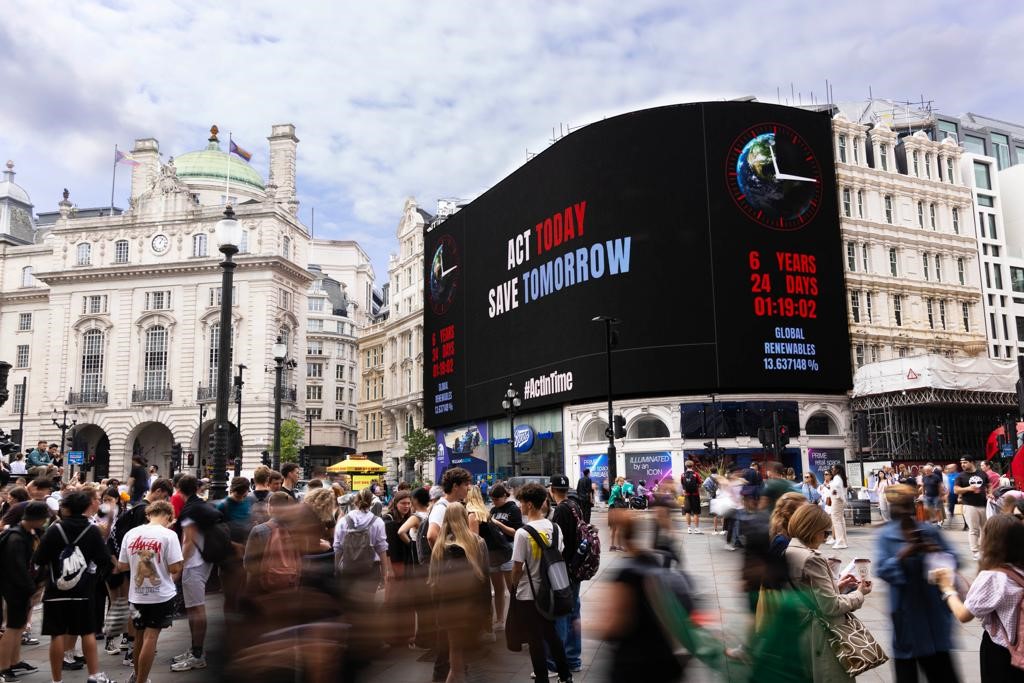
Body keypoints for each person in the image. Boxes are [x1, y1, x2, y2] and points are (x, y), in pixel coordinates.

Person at [874, 485, 960, 682]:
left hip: (933, 614)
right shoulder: (885, 536)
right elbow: (882, 569)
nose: (904, 511)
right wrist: (903, 555)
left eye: (907, 505)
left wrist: (936, 552)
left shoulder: (928, 531)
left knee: (943, 672)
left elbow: (955, 559)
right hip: (906, 614)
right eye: (899, 506)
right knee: (907, 673)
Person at [32, 491, 114, 683]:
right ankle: (94, 675)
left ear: (66, 508)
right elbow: (104, 560)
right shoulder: (92, 530)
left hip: (55, 590)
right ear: (86, 507)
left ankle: (56, 679)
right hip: (83, 590)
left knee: (57, 634)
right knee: (87, 632)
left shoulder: (55, 529)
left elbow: (39, 559)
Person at [785, 503, 873, 681]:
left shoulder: (790, 551)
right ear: (811, 530)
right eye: (825, 533)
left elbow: (809, 594)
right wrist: (859, 593)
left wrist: (837, 587)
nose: (826, 538)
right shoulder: (812, 558)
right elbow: (831, 606)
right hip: (823, 637)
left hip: (803, 631)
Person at [936, 514, 1024, 682]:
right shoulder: (1019, 570)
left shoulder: (993, 577)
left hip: (1001, 653)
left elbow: (964, 615)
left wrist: (947, 588)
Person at [506, 483, 572, 683]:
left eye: (521, 503)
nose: (519, 506)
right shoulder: (555, 528)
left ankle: (542, 678)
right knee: (551, 634)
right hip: (551, 591)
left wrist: (514, 586)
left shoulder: (523, 533)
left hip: (529, 593)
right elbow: (559, 555)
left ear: (529, 505)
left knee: (535, 639)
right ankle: (565, 676)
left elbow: (517, 567)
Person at [117, 500, 184, 683]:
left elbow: (122, 565)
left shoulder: (131, 534)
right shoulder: (169, 535)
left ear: (148, 515)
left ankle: (138, 676)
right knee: (151, 637)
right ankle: (141, 680)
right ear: (169, 516)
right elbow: (175, 568)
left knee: (139, 636)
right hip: (160, 595)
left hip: (136, 595)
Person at [428, 502, 489, 683]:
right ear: (464, 517)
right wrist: (486, 610)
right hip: (472, 606)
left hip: (448, 608)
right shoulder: (478, 542)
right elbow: (485, 578)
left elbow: (434, 581)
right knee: (464, 657)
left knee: (455, 652)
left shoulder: (440, 545)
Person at [171, 474, 220, 672]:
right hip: (203, 561)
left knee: (196, 609)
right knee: (194, 608)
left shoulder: (189, 510)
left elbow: (188, 542)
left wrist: (179, 566)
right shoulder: (200, 505)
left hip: (194, 564)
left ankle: (198, 655)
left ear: (178, 489)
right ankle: (195, 649)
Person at [0, 501, 48, 682]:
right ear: (36, 519)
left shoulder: (27, 534)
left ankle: (14, 661)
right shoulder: (16, 538)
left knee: (18, 626)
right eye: (43, 519)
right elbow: (17, 569)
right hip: (15, 589)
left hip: (20, 588)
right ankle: (3, 667)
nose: (44, 522)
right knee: (13, 627)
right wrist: (31, 589)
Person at [547, 475, 583, 675]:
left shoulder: (561, 510)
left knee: (561, 614)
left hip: (565, 569)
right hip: (576, 567)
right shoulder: (575, 505)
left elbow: (557, 543)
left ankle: (556, 663)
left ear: (551, 489)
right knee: (574, 612)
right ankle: (573, 659)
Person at [954, 458, 988, 560]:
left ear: (972, 462)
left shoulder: (982, 473)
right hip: (969, 505)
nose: (962, 464)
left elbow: (989, 484)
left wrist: (990, 493)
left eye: (965, 462)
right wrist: (968, 488)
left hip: (984, 505)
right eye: (961, 463)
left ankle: (984, 550)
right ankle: (975, 552)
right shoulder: (960, 476)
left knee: (985, 529)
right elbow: (956, 490)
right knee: (974, 530)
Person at [828, 465, 849, 549]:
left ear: (837, 470)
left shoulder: (837, 477)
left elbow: (836, 487)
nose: (832, 470)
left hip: (837, 500)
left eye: (833, 469)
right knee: (840, 520)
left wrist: (833, 491)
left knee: (836, 520)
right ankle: (843, 541)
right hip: (840, 500)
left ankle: (840, 542)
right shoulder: (841, 477)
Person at [680, 461, 703, 533]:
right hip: (695, 495)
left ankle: (689, 528)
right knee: (696, 512)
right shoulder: (696, 474)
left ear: (686, 466)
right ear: (692, 466)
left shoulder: (683, 475)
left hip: (687, 495)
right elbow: (700, 484)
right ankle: (696, 529)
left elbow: (682, 484)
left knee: (687, 512)